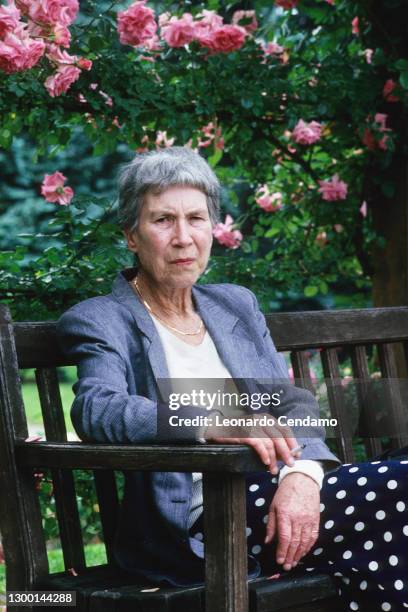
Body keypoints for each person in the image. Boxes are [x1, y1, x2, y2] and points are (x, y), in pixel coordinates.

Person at [57, 146, 407, 611]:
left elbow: (294, 402)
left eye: (196, 218)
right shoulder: (102, 319)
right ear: (132, 236)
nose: (183, 237)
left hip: (284, 491)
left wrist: (302, 476)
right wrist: (208, 420)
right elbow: (98, 408)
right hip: (207, 518)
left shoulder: (232, 304)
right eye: (163, 220)